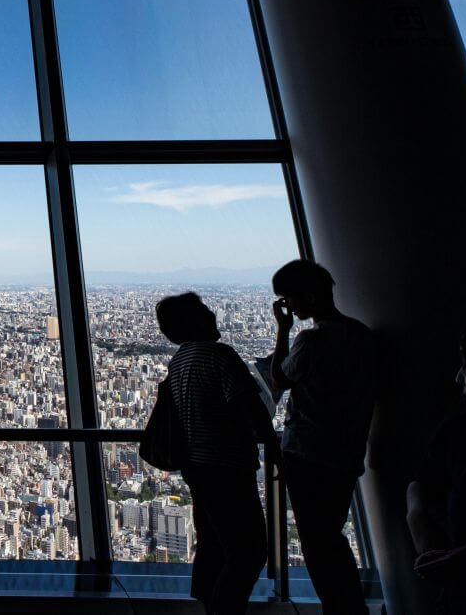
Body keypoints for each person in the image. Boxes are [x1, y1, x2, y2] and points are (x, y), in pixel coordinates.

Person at [157, 292, 276, 615]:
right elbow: (248, 407)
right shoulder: (219, 355)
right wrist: (272, 443)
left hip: (197, 467)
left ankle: (210, 605)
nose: (212, 314)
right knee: (248, 552)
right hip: (228, 466)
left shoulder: (179, 360)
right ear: (192, 320)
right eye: (204, 311)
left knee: (213, 547)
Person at [269, 259, 376, 615]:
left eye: (291, 299)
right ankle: (348, 607)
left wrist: (283, 329)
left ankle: (341, 608)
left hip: (307, 455)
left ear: (310, 297)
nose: (291, 307)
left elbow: (279, 381)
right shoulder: (363, 335)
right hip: (345, 455)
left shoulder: (311, 341)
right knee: (331, 537)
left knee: (317, 544)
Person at [407, 318, 466, 613]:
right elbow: (420, 483)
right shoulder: (458, 431)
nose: (460, 378)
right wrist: (417, 516)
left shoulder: (460, 432)